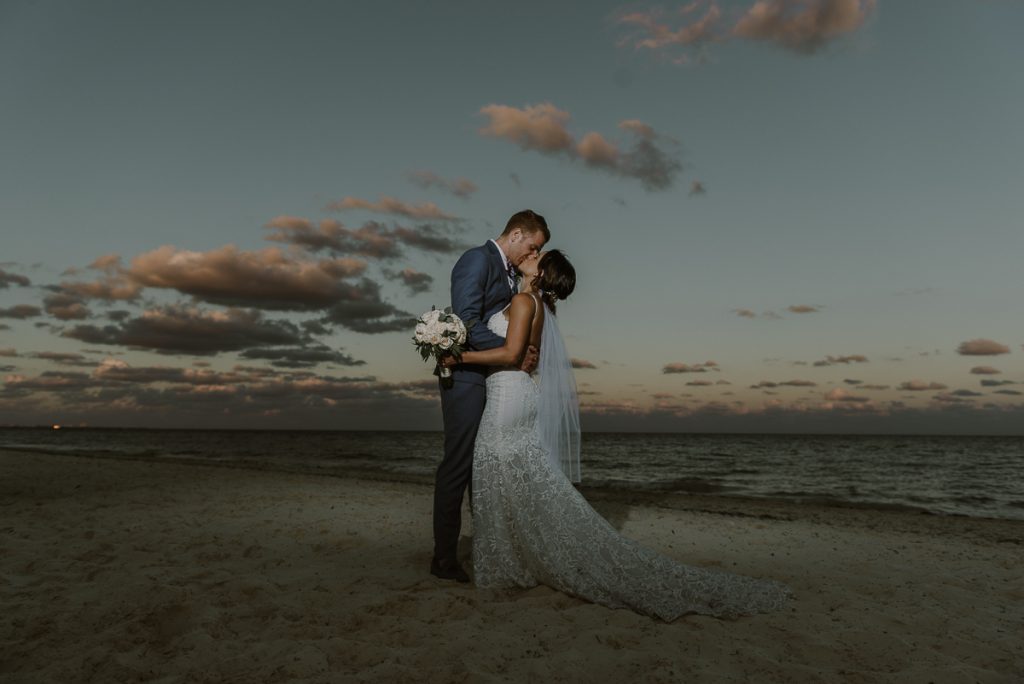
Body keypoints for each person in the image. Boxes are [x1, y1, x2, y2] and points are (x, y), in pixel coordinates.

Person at [445, 250, 791, 621]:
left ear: (542, 271)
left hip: (508, 396)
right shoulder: (540, 307)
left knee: (495, 470)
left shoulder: (522, 301)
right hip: (521, 394)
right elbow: (526, 354)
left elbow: (513, 354)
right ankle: (516, 554)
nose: (531, 255)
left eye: (537, 255)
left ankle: (507, 563)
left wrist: (456, 357)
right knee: (513, 475)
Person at [431, 210, 549, 582]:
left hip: (495, 380)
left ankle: (490, 546)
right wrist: (511, 350)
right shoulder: (476, 260)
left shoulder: (513, 275)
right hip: (466, 378)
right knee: (459, 465)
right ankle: (443, 558)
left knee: (483, 467)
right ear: (516, 234)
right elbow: (467, 322)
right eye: (533, 246)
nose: (534, 254)